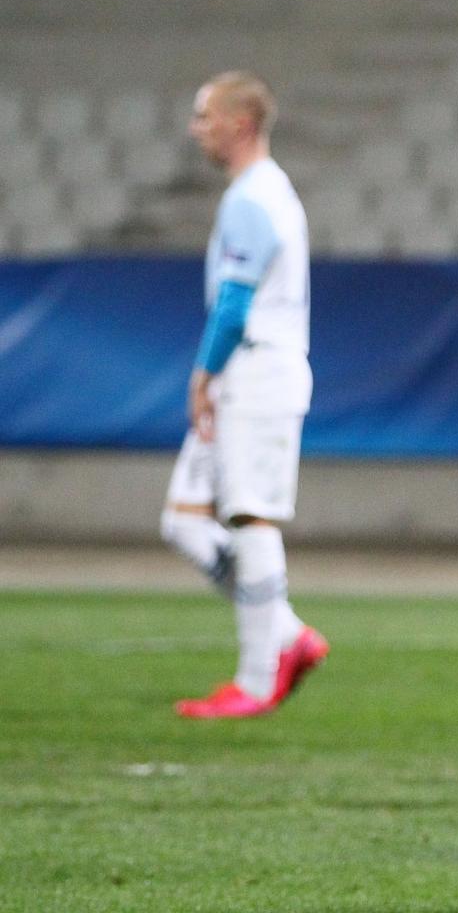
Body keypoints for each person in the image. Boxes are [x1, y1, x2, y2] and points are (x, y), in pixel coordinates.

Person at [161, 71, 327, 719]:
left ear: (240, 124)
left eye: (205, 116)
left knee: (250, 516)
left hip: (255, 371)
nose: (196, 129)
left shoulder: (252, 199)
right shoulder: (264, 193)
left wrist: (202, 374)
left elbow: (234, 305)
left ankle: (257, 680)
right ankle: (285, 632)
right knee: (184, 519)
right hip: (246, 373)